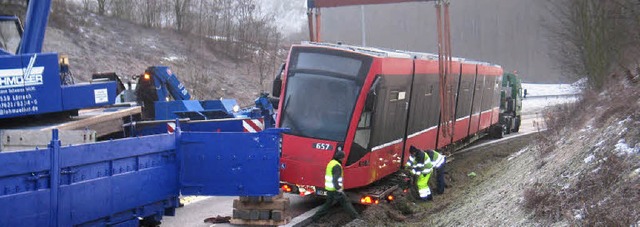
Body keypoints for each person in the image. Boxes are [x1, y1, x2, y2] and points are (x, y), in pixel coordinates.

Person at [311, 149, 360, 221]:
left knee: (328, 204)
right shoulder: (337, 166)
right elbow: (335, 179)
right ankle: (356, 218)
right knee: (346, 202)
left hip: (329, 189)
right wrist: (339, 189)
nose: (343, 159)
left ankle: (315, 217)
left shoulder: (331, 163)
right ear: (341, 158)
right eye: (343, 158)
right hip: (335, 189)